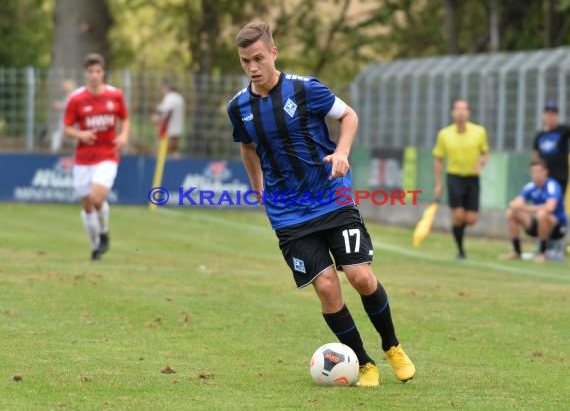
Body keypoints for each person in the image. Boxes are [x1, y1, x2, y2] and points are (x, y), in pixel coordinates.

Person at [227, 22, 415, 387]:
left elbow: (349, 116)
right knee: (327, 288)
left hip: (331, 196)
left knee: (360, 276)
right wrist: (257, 188)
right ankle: (363, 363)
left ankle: (392, 346)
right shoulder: (239, 107)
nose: (252, 67)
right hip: (288, 213)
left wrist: (342, 152)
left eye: (259, 58)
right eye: (245, 61)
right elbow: (247, 147)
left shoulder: (305, 88)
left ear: (274, 53)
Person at [64, 53, 129, 260]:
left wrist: (124, 135)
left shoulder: (115, 95)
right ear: (86, 73)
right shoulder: (76, 99)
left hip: (107, 154)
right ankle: (95, 246)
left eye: (98, 71)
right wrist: (80, 134)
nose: (94, 75)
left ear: (103, 73)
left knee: (96, 197)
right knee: (87, 205)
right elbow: (67, 127)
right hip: (83, 158)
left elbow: (125, 118)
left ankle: (104, 232)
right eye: (90, 71)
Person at [433, 99, 490, 259]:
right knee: (458, 215)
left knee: (471, 219)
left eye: (464, 109)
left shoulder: (479, 131)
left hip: (472, 179)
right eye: (457, 109)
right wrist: (438, 183)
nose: (461, 112)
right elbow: (438, 159)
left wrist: (482, 163)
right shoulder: (444, 134)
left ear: (469, 112)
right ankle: (461, 251)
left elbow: (485, 153)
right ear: (452, 113)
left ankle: (458, 227)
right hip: (454, 177)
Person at [503, 159, 567, 263]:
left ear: (546, 172)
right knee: (511, 212)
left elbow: (550, 208)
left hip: (557, 227)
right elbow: (517, 203)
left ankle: (542, 253)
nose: (535, 175)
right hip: (538, 222)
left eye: (538, 171)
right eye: (533, 171)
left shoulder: (552, 186)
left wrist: (525, 208)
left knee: (543, 214)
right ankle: (516, 251)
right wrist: (514, 205)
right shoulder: (530, 187)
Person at [532, 101, 570, 196]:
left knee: (554, 204)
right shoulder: (539, 135)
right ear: (543, 116)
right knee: (543, 204)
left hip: (560, 176)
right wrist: (535, 172)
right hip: (543, 177)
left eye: (553, 114)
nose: (550, 117)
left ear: (557, 116)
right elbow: (536, 156)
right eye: (548, 114)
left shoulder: (563, 131)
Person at [152, 82, 185, 158]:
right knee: (175, 150)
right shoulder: (179, 97)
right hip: (178, 127)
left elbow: (166, 112)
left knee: (164, 150)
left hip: (169, 129)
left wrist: (158, 119)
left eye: (162, 89)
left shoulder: (169, 97)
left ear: (166, 89)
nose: (161, 92)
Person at [51, 79, 77, 153]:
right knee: (58, 135)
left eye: (64, 87)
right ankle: (55, 150)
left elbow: (70, 107)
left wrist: (59, 106)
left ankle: (55, 150)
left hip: (69, 120)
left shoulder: (72, 96)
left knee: (59, 135)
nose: (63, 88)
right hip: (65, 120)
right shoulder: (69, 96)